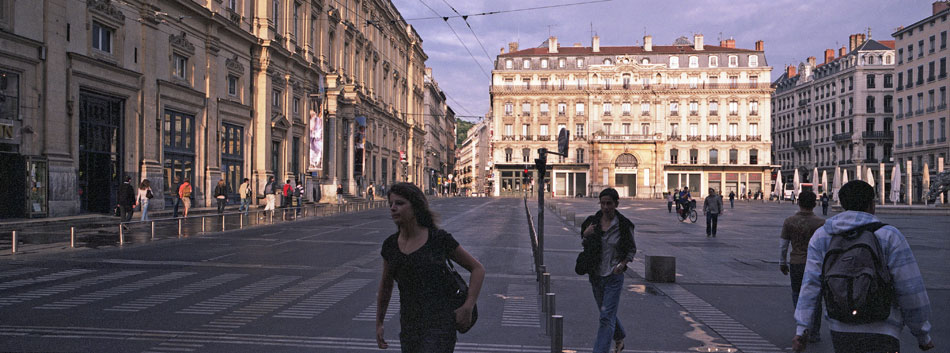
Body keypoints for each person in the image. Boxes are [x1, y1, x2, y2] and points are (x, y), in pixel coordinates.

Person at [791, 181, 935, 353]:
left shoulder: (823, 235)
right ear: (871, 204)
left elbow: (811, 285)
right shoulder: (889, 235)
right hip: (884, 328)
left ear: (843, 204)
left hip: (840, 326)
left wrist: (802, 328)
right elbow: (910, 288)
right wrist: (922, 334)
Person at [376, 182, 485, 352]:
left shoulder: (438, 239)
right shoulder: (390, 245)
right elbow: (385, 287)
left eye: (400, 203)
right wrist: (379, 323)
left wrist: (468, 306)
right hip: (409, 326)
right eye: (391, 203)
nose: (393, 208)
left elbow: (477, 269)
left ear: (416, 207)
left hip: (440, 324)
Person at [581, 188, 636, 353]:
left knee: (606, 316)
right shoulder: (592, 222)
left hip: (614, 276)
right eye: (603, 203)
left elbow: (631, 250)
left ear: (616, 204)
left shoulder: (624, 225)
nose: (605, 207)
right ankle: (619, 337)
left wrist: (623, 264)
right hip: (596, 275)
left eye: (609, 203)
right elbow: (585, 245)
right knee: (606, 312)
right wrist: (585, 234)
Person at [779, 190, 825, 343]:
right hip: (815, 265)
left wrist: (782, 262)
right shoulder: (820, 223)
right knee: (816, 298)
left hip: (796, 263)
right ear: (815, 204)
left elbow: (783, 246)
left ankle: (802, 327)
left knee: (797, 294)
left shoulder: (789, 221)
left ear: (798, 202)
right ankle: (815, 332)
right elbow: (825, 247)